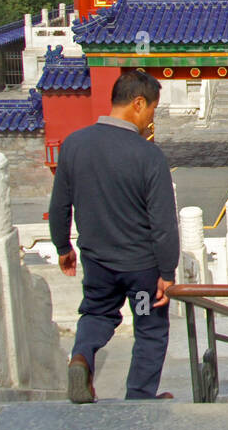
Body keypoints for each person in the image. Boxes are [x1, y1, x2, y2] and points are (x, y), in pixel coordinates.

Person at [49, 69, 178, 404]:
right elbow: (162, 222)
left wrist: (63, 246)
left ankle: (81, 358)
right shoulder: (148, 155)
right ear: (138, 103)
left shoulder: (75, 144)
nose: (152, 118)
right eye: (152, 109)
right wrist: (167, 273)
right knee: (149, 327)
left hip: (97, 261)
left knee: (97, 313)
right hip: (141, 268)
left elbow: (60, 203)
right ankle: (139, 396)